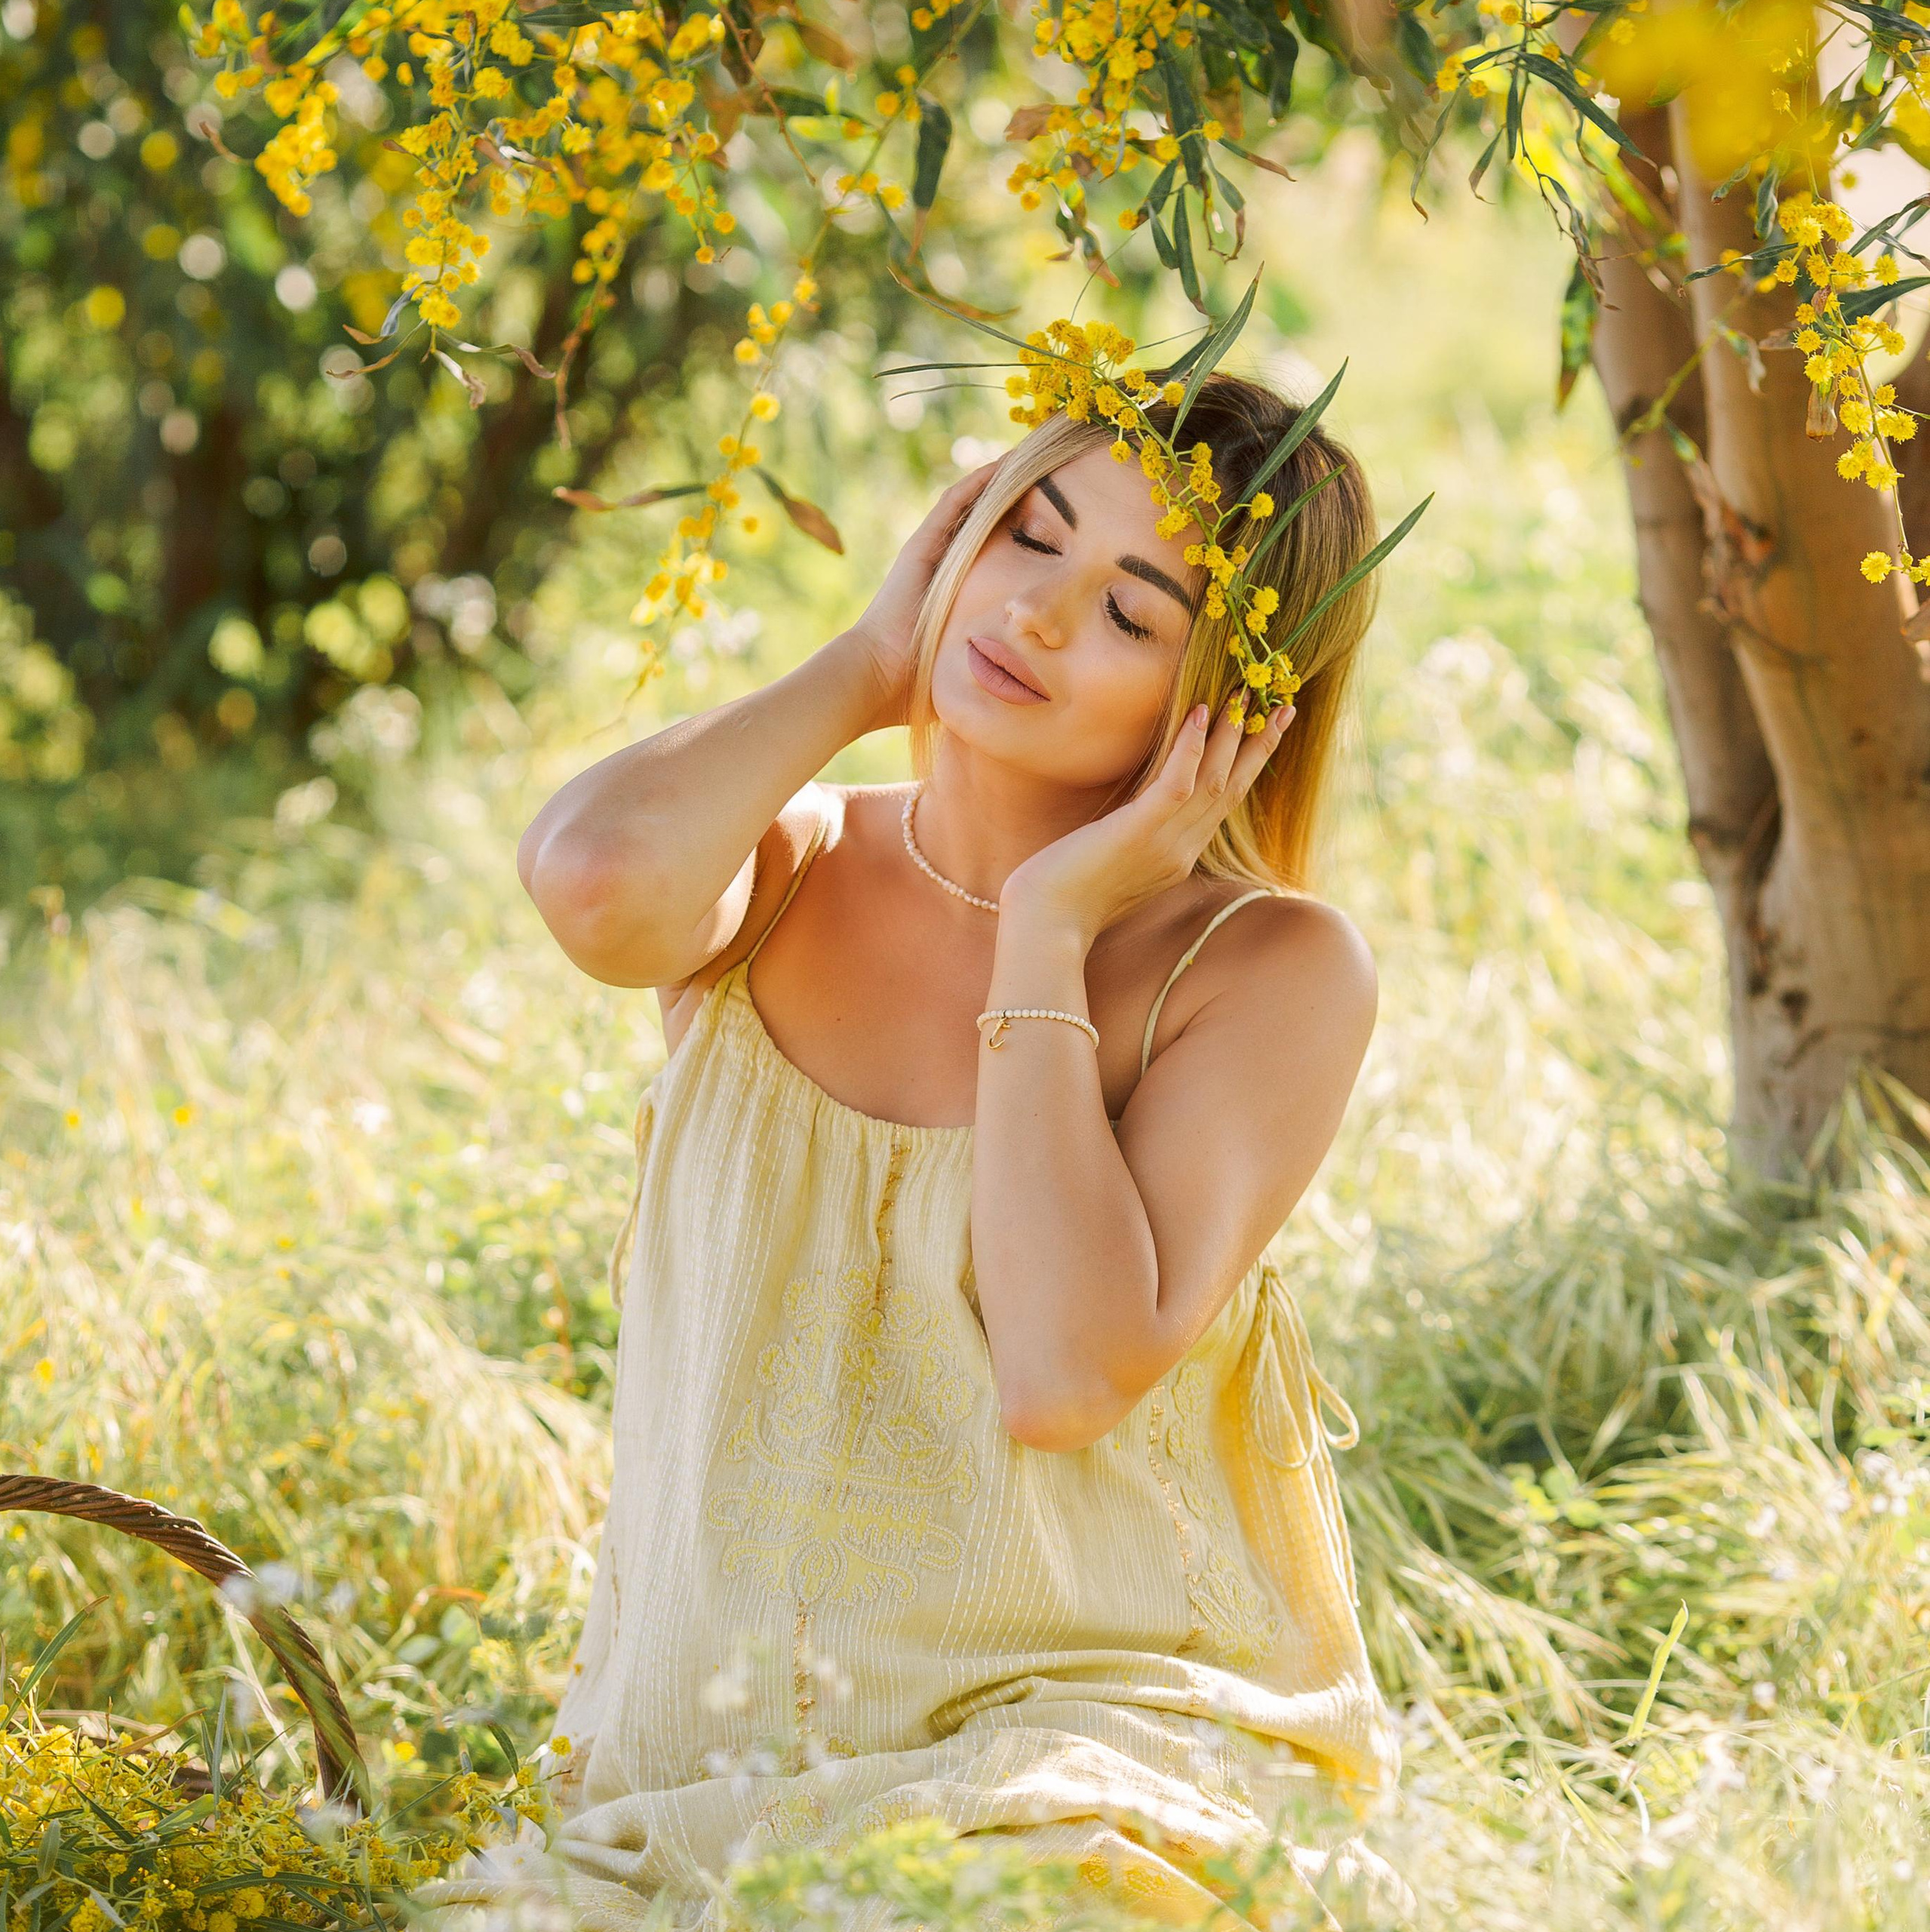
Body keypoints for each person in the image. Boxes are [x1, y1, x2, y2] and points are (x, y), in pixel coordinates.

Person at [419, 371, 1403, 1932]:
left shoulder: (1266, 965)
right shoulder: (785, 862)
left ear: (1222, 703)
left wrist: (1045, 927)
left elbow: (1062, 1373)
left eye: (1134, 616)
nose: (1034, 615)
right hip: (703, 1761)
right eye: (1025, 532)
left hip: (1089, 1750)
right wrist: (872, 660)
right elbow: (598, 881)